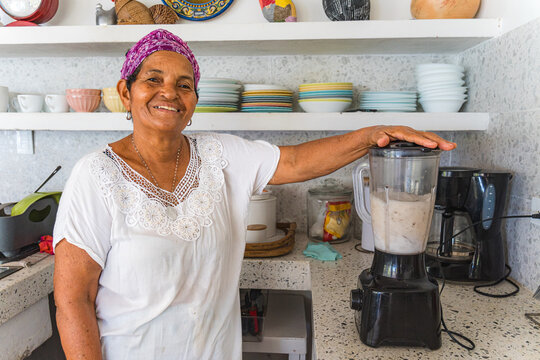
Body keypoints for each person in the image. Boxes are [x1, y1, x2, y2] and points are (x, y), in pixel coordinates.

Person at [52, 29, 456, 360]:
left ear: (194, 101)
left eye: (184, 84)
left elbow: (297, 162)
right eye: (153, 79)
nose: (169, 93)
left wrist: (372, 135)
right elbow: (73, 301)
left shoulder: (219, 155)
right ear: (126, 92)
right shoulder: (96, 175)